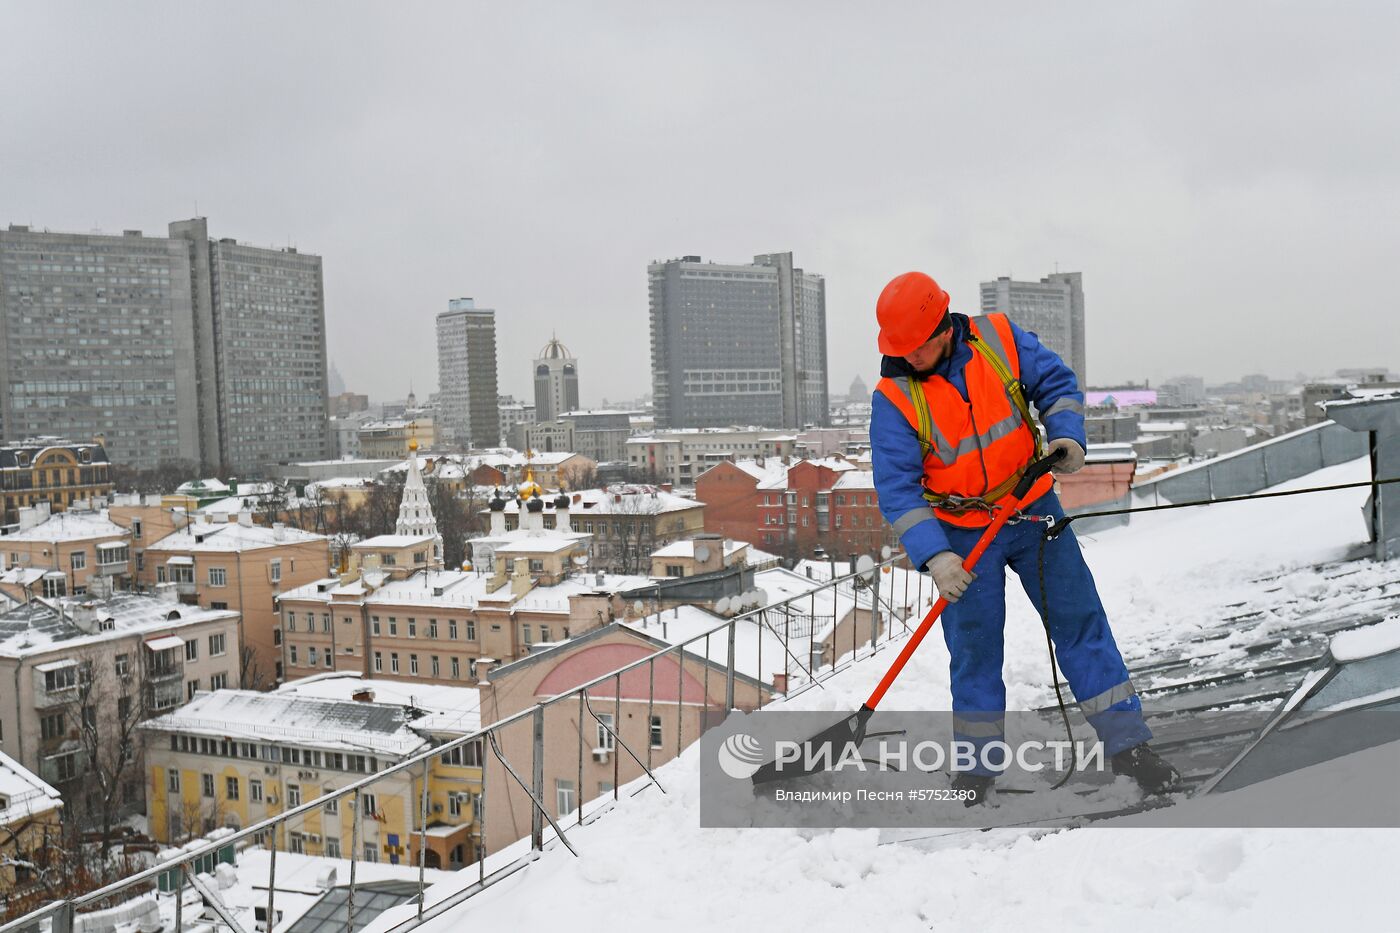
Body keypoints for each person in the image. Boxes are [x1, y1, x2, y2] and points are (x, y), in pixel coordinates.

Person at [869, 271, 1179, 804]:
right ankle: (977, 769)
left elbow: (1056, 385)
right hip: (963, 536)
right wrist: (937, 556)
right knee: (974, 653)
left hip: (1032, 510)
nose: (907, 358)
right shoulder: (894, 398)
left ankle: (1129, 747)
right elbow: (897, 489)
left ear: (943, 327)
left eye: (915, 348)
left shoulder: (999, 339)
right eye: (900, 349)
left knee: (1081, 625)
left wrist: (1066, 436)